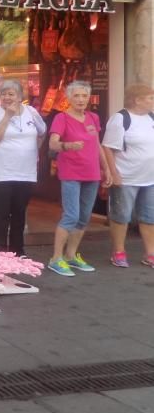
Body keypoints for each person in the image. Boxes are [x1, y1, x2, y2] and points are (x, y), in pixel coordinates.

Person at [47, 80, 112, 276]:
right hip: (71, 174)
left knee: (84, 218)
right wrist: (67, 146)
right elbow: (52, 144)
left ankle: (70, 256)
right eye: (76, 95)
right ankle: (55, 259)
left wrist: (106, 169)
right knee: (71, 216)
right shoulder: (62, 118)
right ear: (69, 98)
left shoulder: (93, 117)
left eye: (84, 95)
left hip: (91, 174)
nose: (81, 99)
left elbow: (98, 146)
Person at [0, 79, 46, 255]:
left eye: (11, 94)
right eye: (3, 94)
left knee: (19, 213)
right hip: (2, 172)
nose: (6, 97)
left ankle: (18, 251)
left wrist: (34, 150)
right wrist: (7, 117)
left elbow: (42, 132)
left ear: (20, 97)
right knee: (1, 213)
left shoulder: (31, 112)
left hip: (26, 172)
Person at [101, 84, 154, 268]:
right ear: (137, 100)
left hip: (150, 178)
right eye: (150, 98)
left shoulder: (151, 117)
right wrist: (114, 173)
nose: (153, 101)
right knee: (121, 216)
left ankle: (150, 253)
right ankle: (118, 252)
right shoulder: (121, 118)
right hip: (127, 177)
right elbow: (107, 146)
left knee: (149, 217)